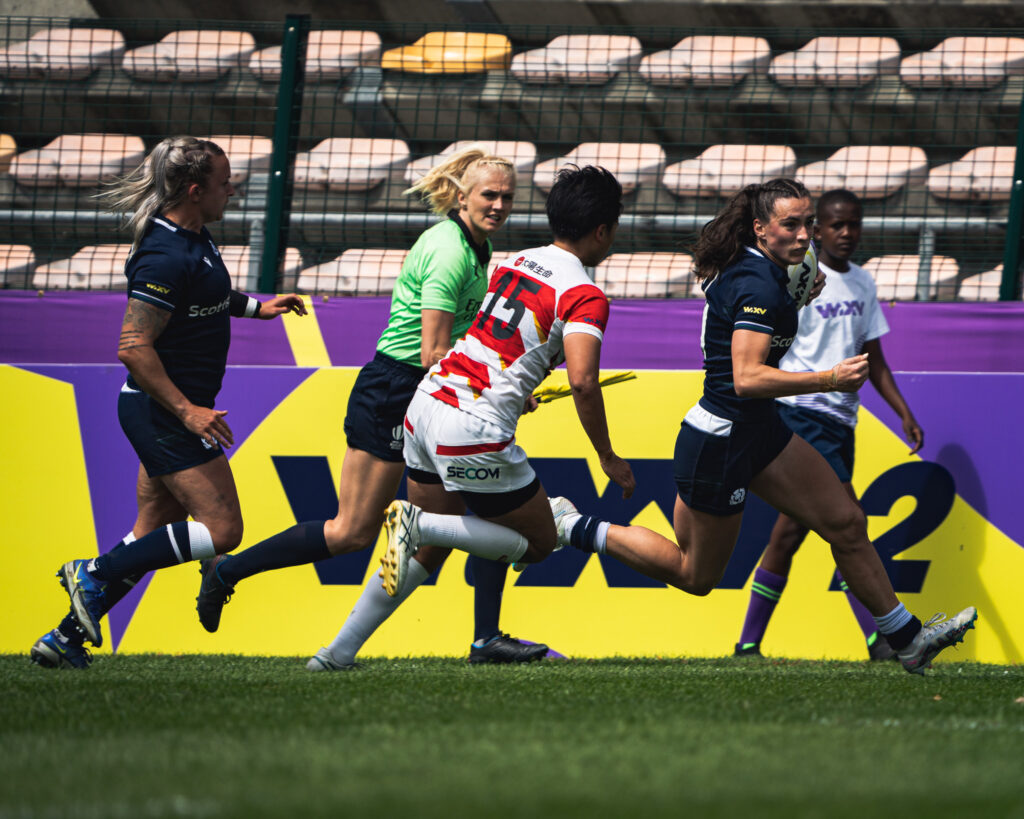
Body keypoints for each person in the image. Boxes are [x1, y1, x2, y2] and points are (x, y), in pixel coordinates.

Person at [383, 177, 976, 675]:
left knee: (845, 521)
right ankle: (574, 526)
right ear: (760, 230)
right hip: (722, 439)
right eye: (791, 226)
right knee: (695, 574)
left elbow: (754, 339)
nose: (804, 236)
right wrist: (828, 378)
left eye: (807, 225)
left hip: (758, 431)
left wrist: (796, 299)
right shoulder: (756, 283)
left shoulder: (764, 272)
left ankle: (906, 640)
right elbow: (746, 377)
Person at [195, 147, 550, 667]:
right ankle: (227, 571)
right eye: (489, 195)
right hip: (396, 390)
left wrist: (498, 385)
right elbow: (432, 352)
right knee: (352, 532)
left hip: (437, 393)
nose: (498, 205)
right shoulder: (449, 251)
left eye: (507, 197)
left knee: (474, 512)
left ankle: (485, 639)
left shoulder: (479, 246)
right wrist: (493, 389)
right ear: (462, 197)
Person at [30, 136, 307, 669]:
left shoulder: (194, 236)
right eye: (225, 183)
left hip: (168, 411)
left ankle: (63, 639)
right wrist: (188, 412)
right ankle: (92, 573)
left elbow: (203, 295)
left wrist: (258, 308)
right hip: (162, 413)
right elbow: (133, 347)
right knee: (224, 531)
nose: (233, 190)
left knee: (150, 534)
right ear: (196, 190)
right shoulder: (163, 253)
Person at [375, 164, 635, 608]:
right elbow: (583, 382)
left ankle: (340, 645)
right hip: (472, 425)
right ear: (602, 230)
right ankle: (421, 525)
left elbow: (493, 345)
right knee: (536, 542)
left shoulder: (513, 261)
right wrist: (607, 455)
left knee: (427, 553)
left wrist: (517, 387)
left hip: (426, 402)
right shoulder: (584, 293)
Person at [733, 189, 923, 662]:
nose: (846, 232)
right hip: (802, 411)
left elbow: (874, 358)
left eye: (853, 224)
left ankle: (747, 644)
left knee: (790, 534)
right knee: (848, 522)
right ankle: (882, 637)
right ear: (817, 230)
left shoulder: (863, 283)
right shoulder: (800, 274)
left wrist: (902, 411)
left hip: (840, 420)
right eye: (836, 224)